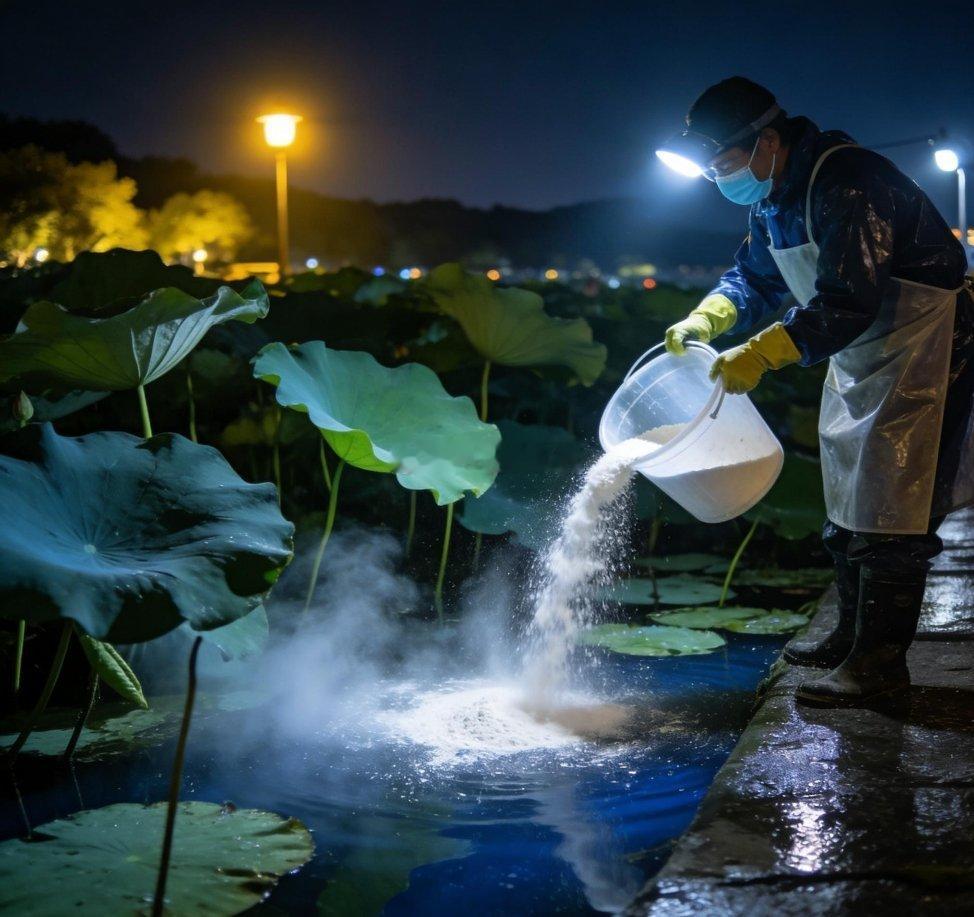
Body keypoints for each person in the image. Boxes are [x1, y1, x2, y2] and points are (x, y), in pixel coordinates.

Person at [656, 77, 974, 707]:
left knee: (894, 516)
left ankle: (878, 668)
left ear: (766, 142)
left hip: (925, 348)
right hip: (861, 354)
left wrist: (764, 352)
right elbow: (755, 275)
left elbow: (847, 298)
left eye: (720, 162)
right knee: (845, 508)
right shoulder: (773, 195)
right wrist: (711, 316)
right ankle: (848, 638)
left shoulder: (848, 182)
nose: (718, 179)